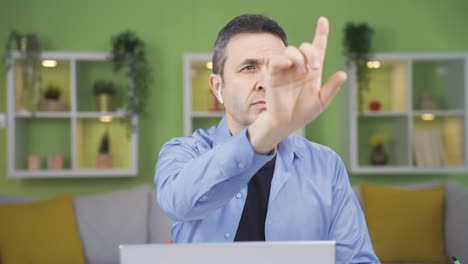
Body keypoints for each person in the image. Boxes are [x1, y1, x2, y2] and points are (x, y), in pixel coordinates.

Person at [155, 14, 379, 263]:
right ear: (218, 87)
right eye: (249, 68)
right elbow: (179, 202)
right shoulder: (182, 153)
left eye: (275, 67)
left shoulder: (327, 166)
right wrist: (266, 131)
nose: (264, 82)